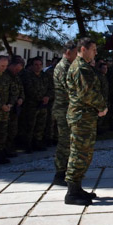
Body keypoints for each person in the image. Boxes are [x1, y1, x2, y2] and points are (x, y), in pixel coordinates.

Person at [64, 38, 107, 205]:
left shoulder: (83, 66)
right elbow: (87, 93)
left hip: (85, 117)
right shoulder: (81, 68)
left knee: (85, 153)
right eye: (94, 49)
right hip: (81, 117)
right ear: (84, 49)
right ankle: (71, 193)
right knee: (78, 154)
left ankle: (77, 188)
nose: (96, 52)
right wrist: (102, 107)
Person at [51, 41, 78, 186]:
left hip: (68, 109)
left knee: (69, 142)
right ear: (68, 53)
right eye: (75, 53)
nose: (77, 56)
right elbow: (71, 89)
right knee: (64, 142)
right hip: (63, 110)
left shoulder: (69, 66)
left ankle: (67, 171)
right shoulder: (63, 67)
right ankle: (59, 173)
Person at [20, 57, 53, 152]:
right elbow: (29, 90)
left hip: (43, 105)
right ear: (32, 66)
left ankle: (37, 142)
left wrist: (47, 97)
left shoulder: (45, 76)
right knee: (30, 125)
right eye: (36, 65)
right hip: (31, 105)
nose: (38, 67)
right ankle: (28, 144)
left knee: (41, 125)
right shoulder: (27, 76)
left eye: (40, 65)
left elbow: (51, 88)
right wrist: (40, 98)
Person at [6, 56, 25, 155]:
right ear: (12, 66)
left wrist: (21, 98)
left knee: (13, 130)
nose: (17, 71)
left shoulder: (16, 77)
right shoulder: (5, 76)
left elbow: (21, 89)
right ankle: (1, 151)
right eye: (16, 69)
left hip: (15, 107)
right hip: (6, 107)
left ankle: (9, 149)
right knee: (4, 131)